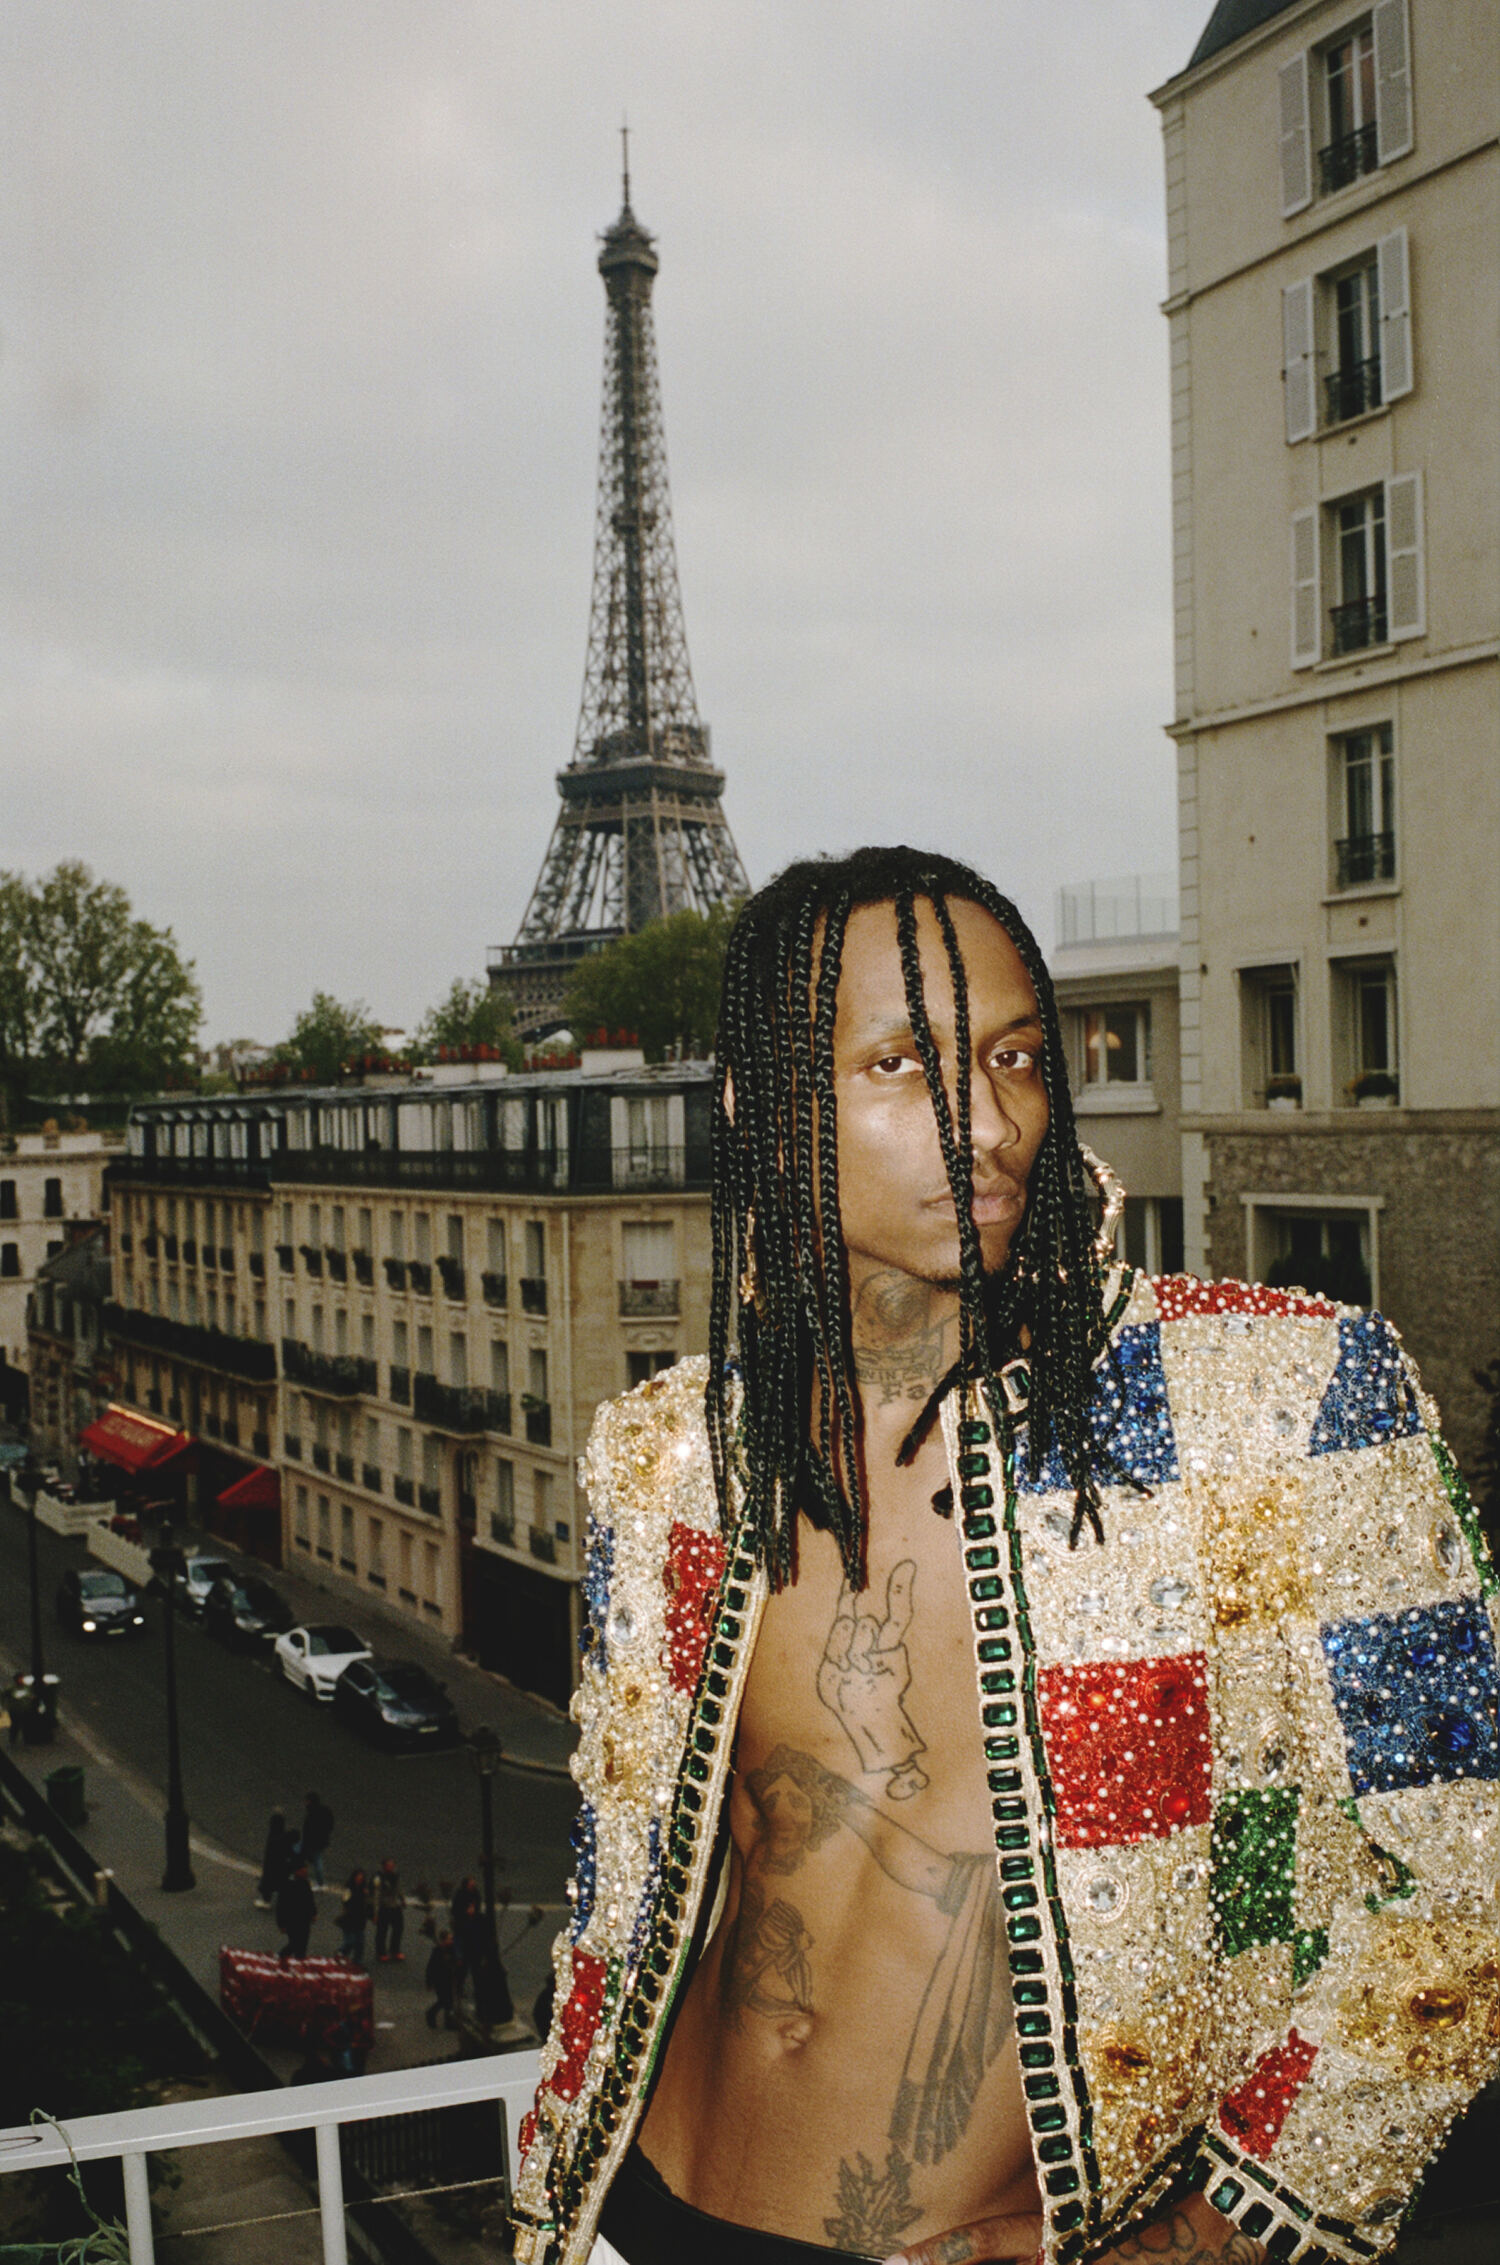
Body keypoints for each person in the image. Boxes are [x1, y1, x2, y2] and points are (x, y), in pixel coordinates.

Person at [511, 848, 1500, 2265]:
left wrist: (1206, 2238)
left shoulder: (1271, 1404)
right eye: (904, 1063)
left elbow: (1469, 1878)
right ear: (761, 1107)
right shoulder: (671, 1459)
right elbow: (623, 1893)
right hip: (642, 2209)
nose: (985, 1120)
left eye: (1022, 1058)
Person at [255, 1806, 297, 1911]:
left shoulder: (273, 1838)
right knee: (282, 1882)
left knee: (268, 1882)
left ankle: (266, 1902)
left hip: (272, 1864)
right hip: (283, 1865)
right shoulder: (284, 1836)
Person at [275, 1859, 317, 1961]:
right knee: (295, 1943)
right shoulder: (288, 1885)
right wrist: (282, 1924)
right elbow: (281, 1905)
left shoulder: (305, 1883)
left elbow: (310, 1900)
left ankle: (298, 1960)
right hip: (292, 1920)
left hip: (304, 1920)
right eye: (303, 1870)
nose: (305, 1872)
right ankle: (282, 1956)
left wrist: (314, 1913)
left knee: (302, 1944)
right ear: (296, 1871)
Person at [425, 1928, 461, 2031]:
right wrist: (429, 1982)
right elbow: (430, 1968)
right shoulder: (437, 1952)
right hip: (440, 1980)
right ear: (443, 1940)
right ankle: (434, 2015)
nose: (451, 1941)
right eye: (449, 1939)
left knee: (447, 2001)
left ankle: (447, 2022)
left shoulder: (450, 1949)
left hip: (448, 1978)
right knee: (445, 2001)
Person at [298, 1789, 334, 1887]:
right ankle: (319, 1883)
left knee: (314, 1861)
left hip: (312, 1842)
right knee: (317, 1861)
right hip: (321, 1841)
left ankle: (320, 1883)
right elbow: (330, 1825)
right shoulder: (325, 1810)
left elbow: (308, 1830)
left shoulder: (311, 1813)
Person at [338, 1866, 370, 1966]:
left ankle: (357, 1961)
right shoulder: (348, 1889)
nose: (359, 1880)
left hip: (360, 1919)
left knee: (360, 1942)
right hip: (349, 1918)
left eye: (361, 1878)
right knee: (350, 1941)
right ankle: (341, 1952)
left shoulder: (365, 1890)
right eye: (358, 1878)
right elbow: (345, 1902)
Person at [375, 1856, 405, 1962]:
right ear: (384, 1867)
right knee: (382, 1931)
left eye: (392, 1865)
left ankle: (395, 1950)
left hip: (395, 1906)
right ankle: (381, 1952)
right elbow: (376, 1894)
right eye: (389, 1865)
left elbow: (399, 1888)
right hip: (384, 1906)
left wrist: (402, 1899)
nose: (391, 1867)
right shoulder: (379, 1878)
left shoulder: (396, 1876)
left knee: (398, 1929)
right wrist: (376, 1911)